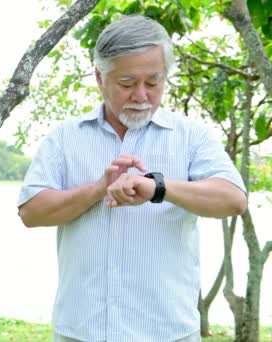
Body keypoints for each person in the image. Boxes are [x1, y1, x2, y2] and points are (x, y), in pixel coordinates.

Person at [17, 15, 247, 342]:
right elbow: (31, 212)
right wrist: (98, 189)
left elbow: (233, 199)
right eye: (126, 83)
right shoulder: (64, 138)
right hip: (83, 331)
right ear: (99, 77)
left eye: (153, 83)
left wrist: (158, 187)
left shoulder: (191, 136)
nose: (141, 95)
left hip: (168, 332)